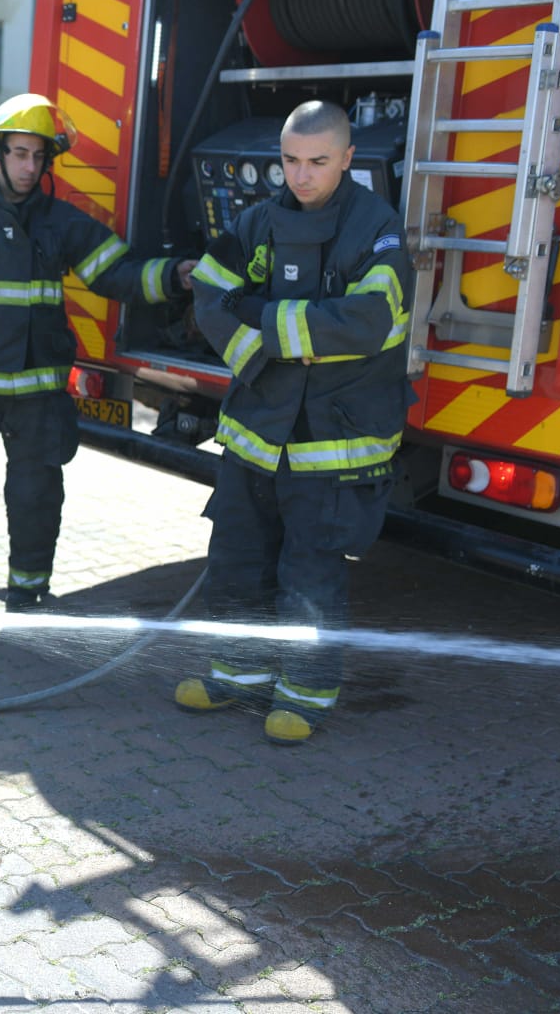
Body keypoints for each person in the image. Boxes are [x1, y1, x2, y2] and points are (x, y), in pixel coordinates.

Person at [179, 100, 412, 745]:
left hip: (330, 443)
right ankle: (237, 674)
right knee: (236, 560)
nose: (301, 176)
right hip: (256, 432)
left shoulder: (378, 229)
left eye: (316, 162)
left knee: (309, 576)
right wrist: (261, 347)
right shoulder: (257, 221)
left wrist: (263, 322)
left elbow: (367, 323)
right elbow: (209, 291)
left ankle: (306, 696)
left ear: (346, 159)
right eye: (289, 161)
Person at [0, 93, 193, 610]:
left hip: (39, 391)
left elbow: (118, 273)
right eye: (18, 153)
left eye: (38, 156)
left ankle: (29, 587)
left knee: (36, 498)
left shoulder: (63, 221)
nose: (28, 165)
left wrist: (174, 276)